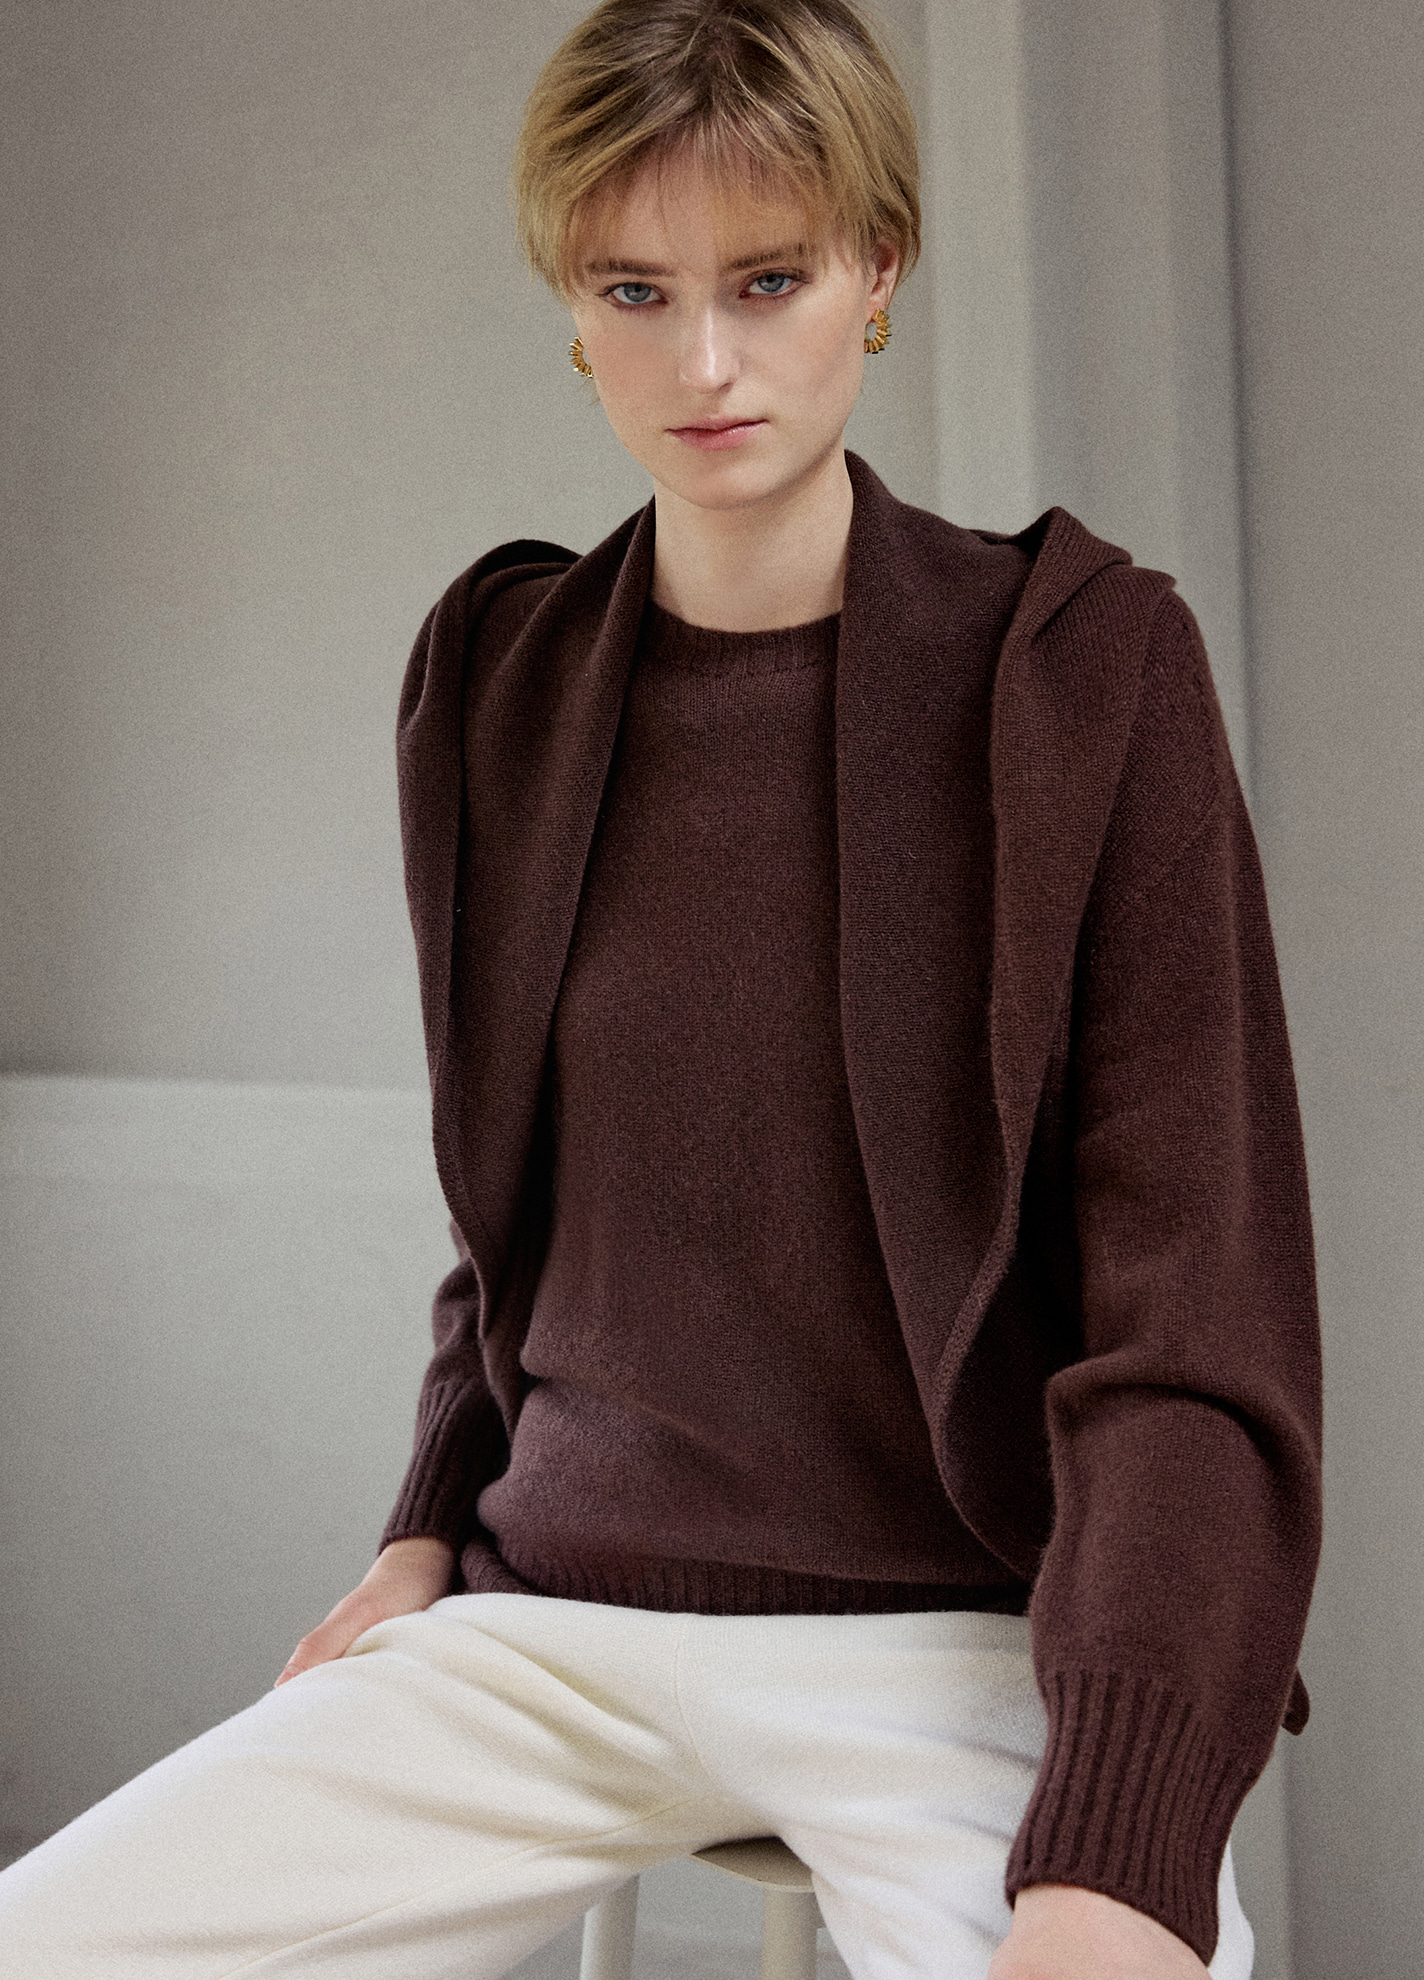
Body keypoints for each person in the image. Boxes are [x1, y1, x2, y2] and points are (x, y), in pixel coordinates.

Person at [0, 3, 1321, 1977]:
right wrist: (426, 1522)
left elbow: (1193, 1325)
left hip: (945, 1646)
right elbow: (517, 1229)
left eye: (768, 281)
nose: (703, 362)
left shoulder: (1081, 675)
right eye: (637, 290)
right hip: (550, 1633)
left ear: (878, 272)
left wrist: (1122, 1845)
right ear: (573, 303)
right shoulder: (498, 678)